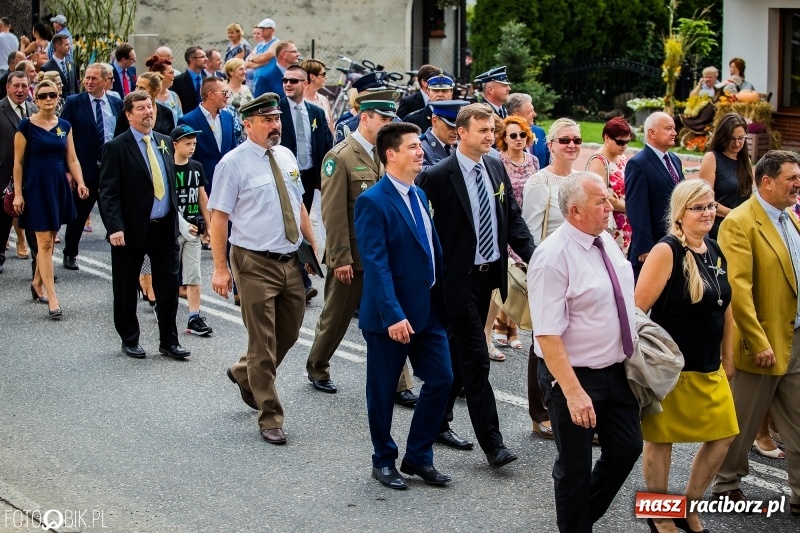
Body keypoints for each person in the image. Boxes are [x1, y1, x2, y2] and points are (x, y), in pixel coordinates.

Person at [418, 103, 534, 464]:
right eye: (483, 130)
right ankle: (493, 445)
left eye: (491, 129)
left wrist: (538, 257)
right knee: (476, 359)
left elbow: (511, 220)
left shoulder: (495, 167)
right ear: (461, 133)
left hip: (489, 279)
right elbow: (425, 233)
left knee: (455, 357)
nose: (490, 136)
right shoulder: (437, 177)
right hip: (457, 282)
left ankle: (435, 421)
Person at [529, 172, 642, 533]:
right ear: (575, 211)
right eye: (601, 201)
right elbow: (547, 335)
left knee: (627, 448)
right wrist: (574, 393)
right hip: (573, 377)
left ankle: (576, 519)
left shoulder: (604, 240)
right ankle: (575, 525)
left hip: (616, 371)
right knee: (574, 466)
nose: (610, 206)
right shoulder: (552, 258)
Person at [209, 93, 318, 445]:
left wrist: (314, 247)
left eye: (277, 119)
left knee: (288, 333)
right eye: (267, 120)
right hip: (253, 262)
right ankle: (269, 415)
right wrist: (220, 269)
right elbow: (219, 218)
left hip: (290, 260)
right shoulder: (232, 164)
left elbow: (298, 204)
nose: (275, 126)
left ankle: (243, 373)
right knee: (262, 341)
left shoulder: (285, 156)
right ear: (248, 124)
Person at [634, 180, 738, 533]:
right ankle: (660, 513)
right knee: (661, 442)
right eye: (699, 207)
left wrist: (728, 357)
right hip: (671, 371)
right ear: (680, 214)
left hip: (710, 367)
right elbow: (637, 310)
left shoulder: (714, 249)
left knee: (724, 435)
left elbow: (726, 308)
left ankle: (688, 507)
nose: (708, 212)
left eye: (710, 205)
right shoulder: (666, 251)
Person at [356, 121, 453, 490]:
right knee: (382, 392)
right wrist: (393, 314)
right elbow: (376, 264)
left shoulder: (419, 195)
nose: (421, 152)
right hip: (389, 317)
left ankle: (418, 456)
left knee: (442, 378)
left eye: (419, 146)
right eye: (413, 147)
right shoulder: (372, 201)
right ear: (391, 155)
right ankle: (383, 459)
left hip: (427, 310)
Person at [305, 93, 417, 404]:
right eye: (383, 119)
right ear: (364, 117)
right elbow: (334, 213)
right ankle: (317, 366)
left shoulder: (389, 154)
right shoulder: (339, 157)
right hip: (352, 257)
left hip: (385, 255)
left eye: (391, 119)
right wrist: (340, 257)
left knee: (393, 315)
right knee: (336, 317)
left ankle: (400, 383)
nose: (388, 124)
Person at [712, 150, 800, 514]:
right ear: (767, 182)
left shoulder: (790, 218)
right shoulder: (740, 221)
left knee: (797, 422)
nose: (798, 184)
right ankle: (726, 483)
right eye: (791, 178)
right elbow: (739, 288)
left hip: (794, 338)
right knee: (742, 423)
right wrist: (756, 339)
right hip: (760, 343)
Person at [98, 90, 190, 360]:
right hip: (130, 230)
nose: (148, 112)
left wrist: (179, 220)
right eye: (140, 108)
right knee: (126, 288)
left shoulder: (163, 141)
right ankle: (130, 338)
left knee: (168, 286)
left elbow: (170, 184)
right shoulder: (116, 147)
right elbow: (108, 192)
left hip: (163, 228)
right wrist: (115, 227)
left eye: (150, 107)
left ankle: (169, 341)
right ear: (128, 115)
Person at [12, 80, 88, 319]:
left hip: (57, 186)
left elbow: (72, 158)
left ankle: (36, 282)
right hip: (36, 187)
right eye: (43, 95)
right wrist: (18, 193)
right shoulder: (26, 127)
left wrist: (81, 182)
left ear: (58, 97)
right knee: (44, 242)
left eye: (52, 95)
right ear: (36, 100)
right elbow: (18, 163)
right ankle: (52, 298)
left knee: (52, 237)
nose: (48, 99)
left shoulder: (64, 125)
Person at [59, 64, 122, 272]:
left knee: (112, 213)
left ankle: (120, 254)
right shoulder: (74, 103)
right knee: (78, 214)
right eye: (87, 77)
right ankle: (70, 253)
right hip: (83, 169)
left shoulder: (116, 103)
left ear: (105, 80)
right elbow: (63, 138)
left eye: (94, 78)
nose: (89, 81)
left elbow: (120, 134)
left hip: (109, 169)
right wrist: (68, 170)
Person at [489, 115, 538, 358]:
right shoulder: (498, 161)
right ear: (504, 139)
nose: (519, 139)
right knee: (507, 276)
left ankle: (512, 327)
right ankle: (501, 323)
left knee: (520, 274)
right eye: (513, 135)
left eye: (522, 134)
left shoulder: (533, 161)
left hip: (524, 224)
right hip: (505, 223)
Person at [625, 111, 683, 278]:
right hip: (652, 245)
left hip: (675, 239)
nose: (674, 132)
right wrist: (644, 246)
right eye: (668, 128)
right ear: (652, 132)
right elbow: (637, 208)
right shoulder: (638, 164)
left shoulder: (674, 159)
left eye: (674, 128)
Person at [170, 125, 212, 336]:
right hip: (173, 230)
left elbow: (202, 197)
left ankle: (194, 316)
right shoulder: (168, 167)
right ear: (175, 144)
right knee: (170, 274)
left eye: (194, 143)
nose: (192, 147)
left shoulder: (196, 167)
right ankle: (165, 311)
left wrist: (210, 226)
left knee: (194, 275)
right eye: (187, 143)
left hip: (194, 230)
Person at [0, 72, 37, 275]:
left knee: (33, 223)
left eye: (24, 86)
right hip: (4, 175)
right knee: (3, 221)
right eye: (16, 86)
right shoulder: (0, 109)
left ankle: (40, 266)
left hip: (30, 177)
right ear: (8, 87)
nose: (20, 90)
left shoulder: (33, 109)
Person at [698, 112, 754, 240]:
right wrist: (733, 214)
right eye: (732, 139)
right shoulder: (712, 158)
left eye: (741, 138)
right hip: (719, 227)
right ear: (723, 137)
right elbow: (705, 199)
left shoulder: (746, 161)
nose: (737, 143)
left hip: (742, 226)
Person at [178, 77, 237, 195]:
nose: (227, 96)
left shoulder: (228, 117)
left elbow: (233, 149)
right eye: (224, 92)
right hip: (204, 185)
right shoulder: (188, 121)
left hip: (229, 184)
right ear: (210, 95)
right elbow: (187, 158)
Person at [587, 117, 633, 256]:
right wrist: (632, 206)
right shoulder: (598, 162)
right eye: (620, 142)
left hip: (627, 221)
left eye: (627, 142)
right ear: (607, 138)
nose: (624, 146)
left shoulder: (622, 158)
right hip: (612, 224)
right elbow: (602, 196)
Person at [114, 72, 175, 136]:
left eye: (142, 88)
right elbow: (117, 141)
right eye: (137, 87)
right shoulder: (128, 112)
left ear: (155, 91)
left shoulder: (167, 113)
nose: (137, 91)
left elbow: (171, 141)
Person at [420, 100, 468, 169]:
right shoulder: (421, 148)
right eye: (451, 127)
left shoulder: (462, 145)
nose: (456, 132)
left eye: (459, 128)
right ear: (434, 121)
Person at [506, 92, 547, 171]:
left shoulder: (539, 132)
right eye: (530, 111)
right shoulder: (505, 136)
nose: (534, 114)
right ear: (516, 115)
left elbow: (548, 163)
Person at [146, 55, 183, 125]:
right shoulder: (148, 96)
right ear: (159, 75)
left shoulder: (174, 96)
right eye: (171, 72)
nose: (174, 75)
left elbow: (180, 119)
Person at [300, 59, 333, 133]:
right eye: (323, 74)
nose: (326, 77)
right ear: (312, 76)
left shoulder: (323, 99)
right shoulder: (298, 100)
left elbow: (330, 127)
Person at [223, 58, 253, 141]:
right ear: (231, 72)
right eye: (241, 69)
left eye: (245, 69)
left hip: (249, 130)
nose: (245, 72)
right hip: (234, 132)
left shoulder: (246, 88)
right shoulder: (224, 90)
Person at [247, 18, 279, 93]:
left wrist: (254, 59)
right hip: (257, 83)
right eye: (261, 28)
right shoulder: (259, 45)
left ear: (272, 30)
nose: (262, 30)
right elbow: (247, 62)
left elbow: (265, 57)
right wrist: (259, 62)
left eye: (265, 28)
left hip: (271, 84)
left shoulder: (276, 43)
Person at [172, 47, 207, 114]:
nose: (206, 59)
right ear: (192, 60)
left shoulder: (207, 80)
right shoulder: (178, 81)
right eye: (202, 57)